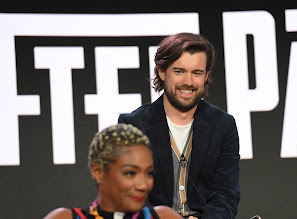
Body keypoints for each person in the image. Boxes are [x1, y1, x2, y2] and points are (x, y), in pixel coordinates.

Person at [118, 32, 240, 218]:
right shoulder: (132, 126)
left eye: (197, 73)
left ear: (206, 75)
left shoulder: (224, 125)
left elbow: (225, 194)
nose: (188, 82)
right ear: (161, 71)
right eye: (179, 71)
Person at [43, 123, 184, 219]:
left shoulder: (164, 216)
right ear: (98, 171)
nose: (143, 185)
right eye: (130, 173)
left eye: (149, 173)